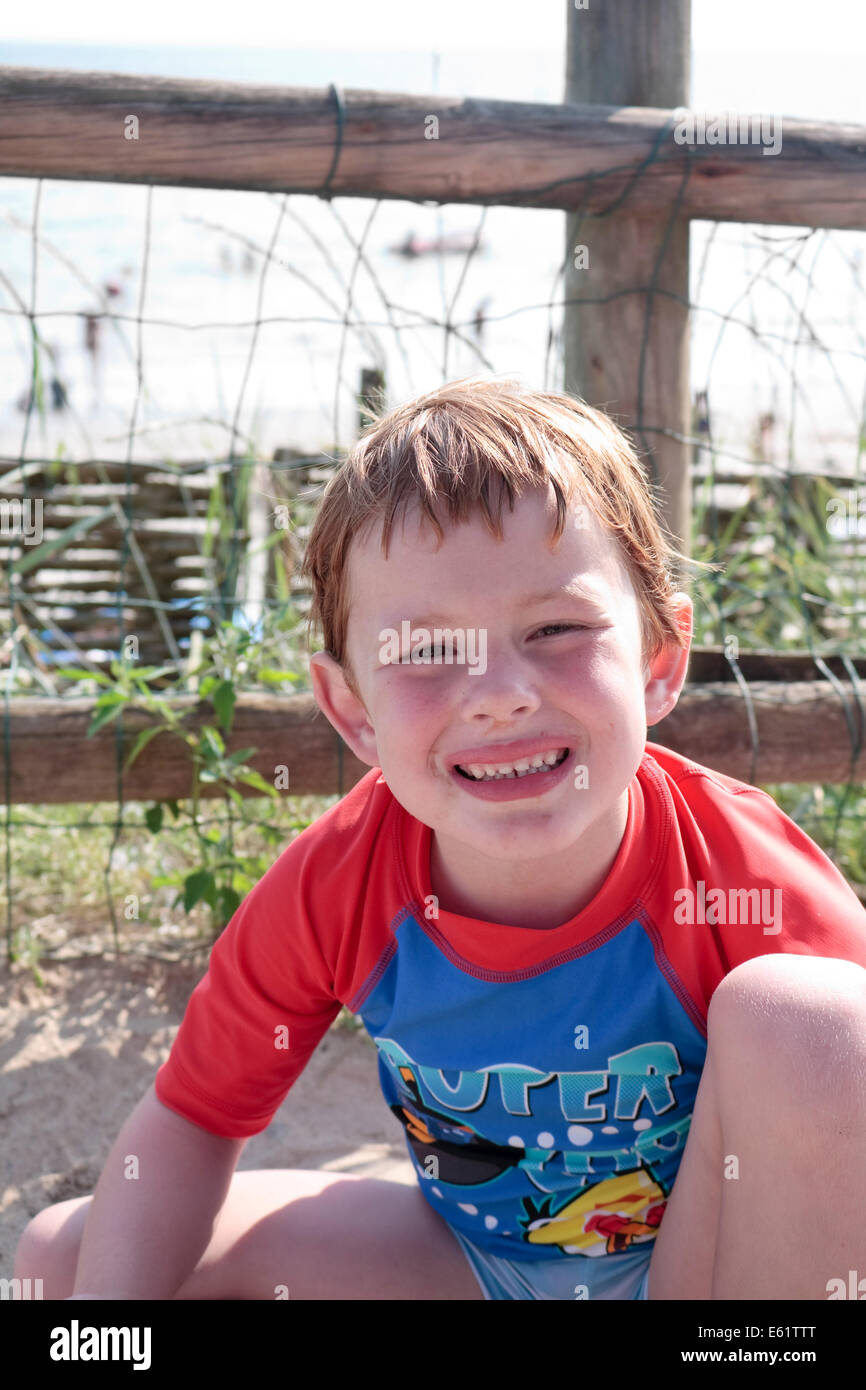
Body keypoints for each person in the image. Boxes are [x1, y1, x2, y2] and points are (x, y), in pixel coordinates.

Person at [14, 377, 866, 1301]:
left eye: (555, 628)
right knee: (65, 1261)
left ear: (660, 662)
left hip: (702, 1282)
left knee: (818, 1021)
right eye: (426, 652)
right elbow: (191, 1121)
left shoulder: (736, 870)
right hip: (471, 1269)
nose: (499, 691)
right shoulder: (339, 884)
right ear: (351, 711)